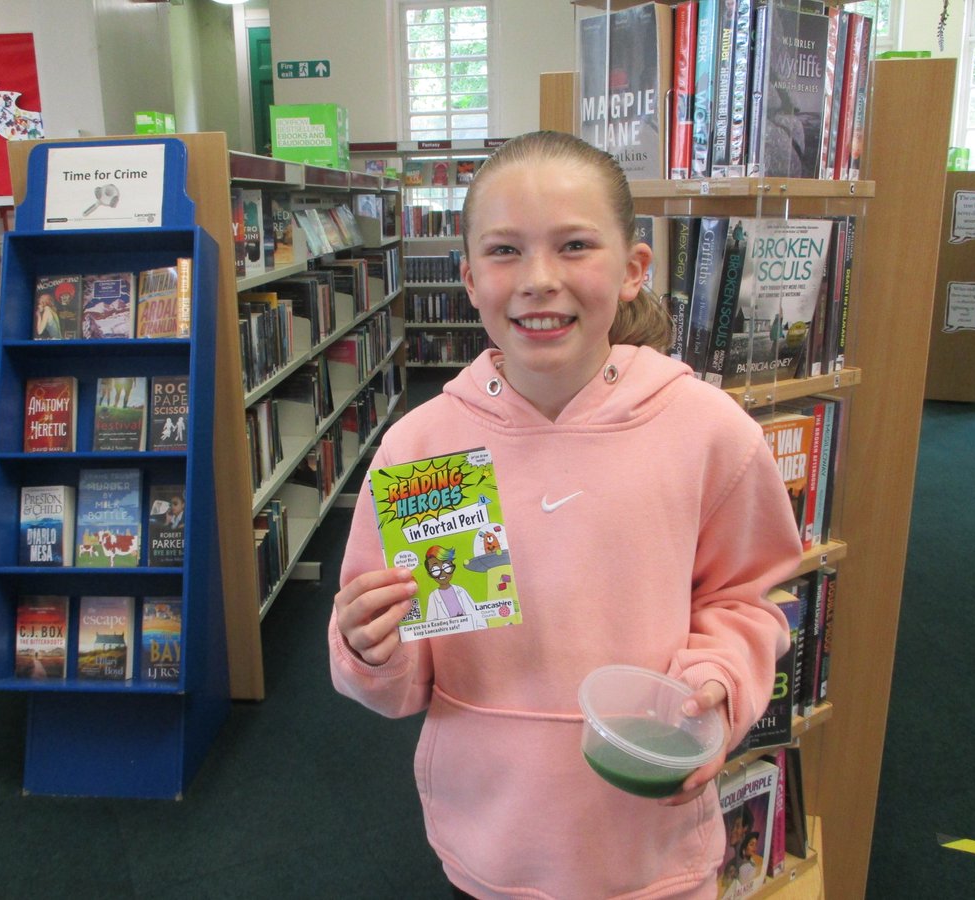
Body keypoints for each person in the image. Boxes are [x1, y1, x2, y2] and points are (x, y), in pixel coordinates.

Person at [329, 131, 801, 899]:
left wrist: (718, 675)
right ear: (470, 278)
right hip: (487, 846)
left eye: (575, 245)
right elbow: (404, 664)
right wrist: (368, 647)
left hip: (652, 849)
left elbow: (747, 601)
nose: (538, 280)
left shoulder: (709, 433)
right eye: (505, 251)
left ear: (632, 269)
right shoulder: (423, 449)